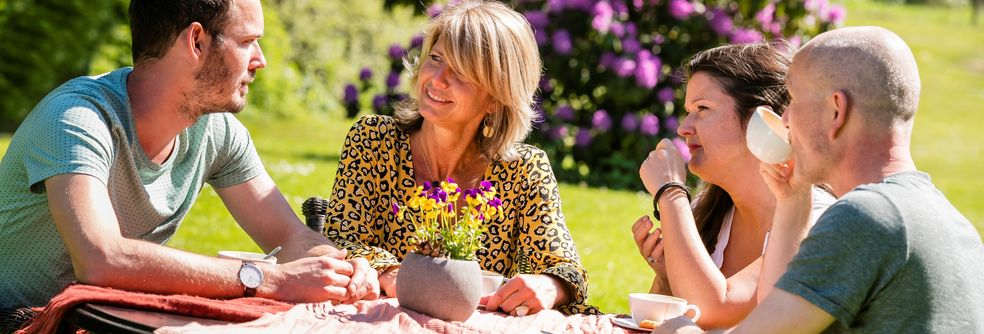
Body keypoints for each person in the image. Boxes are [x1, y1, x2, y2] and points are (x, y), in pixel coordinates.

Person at [0, 0, 378, 314]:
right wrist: (267, 279)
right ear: (196, 41)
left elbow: (290, 236)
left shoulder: (216, 131)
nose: (260, 60)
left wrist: (342, 269)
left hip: (111, 318)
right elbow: (100, 259)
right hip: (19, 320)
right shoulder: (77, 119)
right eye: (248, 41)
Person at [655, 26, 984, 333]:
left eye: (794, 99)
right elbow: (773, 316)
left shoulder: (866, 217)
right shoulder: (947, 219)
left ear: (836, 111)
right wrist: (792, 199)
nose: (784, 119)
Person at [323, 0, 594, 315]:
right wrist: (389, 271)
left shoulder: (524, 169)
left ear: (496, 98)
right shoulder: (374, 140)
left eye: (462, 73)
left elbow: (567, 270)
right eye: (436, 58)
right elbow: (339, 241)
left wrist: (551, 284)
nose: (437, 79)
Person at [634, 42, 834, 328]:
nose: (684, 128)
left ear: (760, 120)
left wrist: (671, 191)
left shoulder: (814, 220)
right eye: (688, 111)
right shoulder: (708, 210)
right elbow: (653, 326)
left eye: (702, 108)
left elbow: (713, 308)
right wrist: (669, 277)